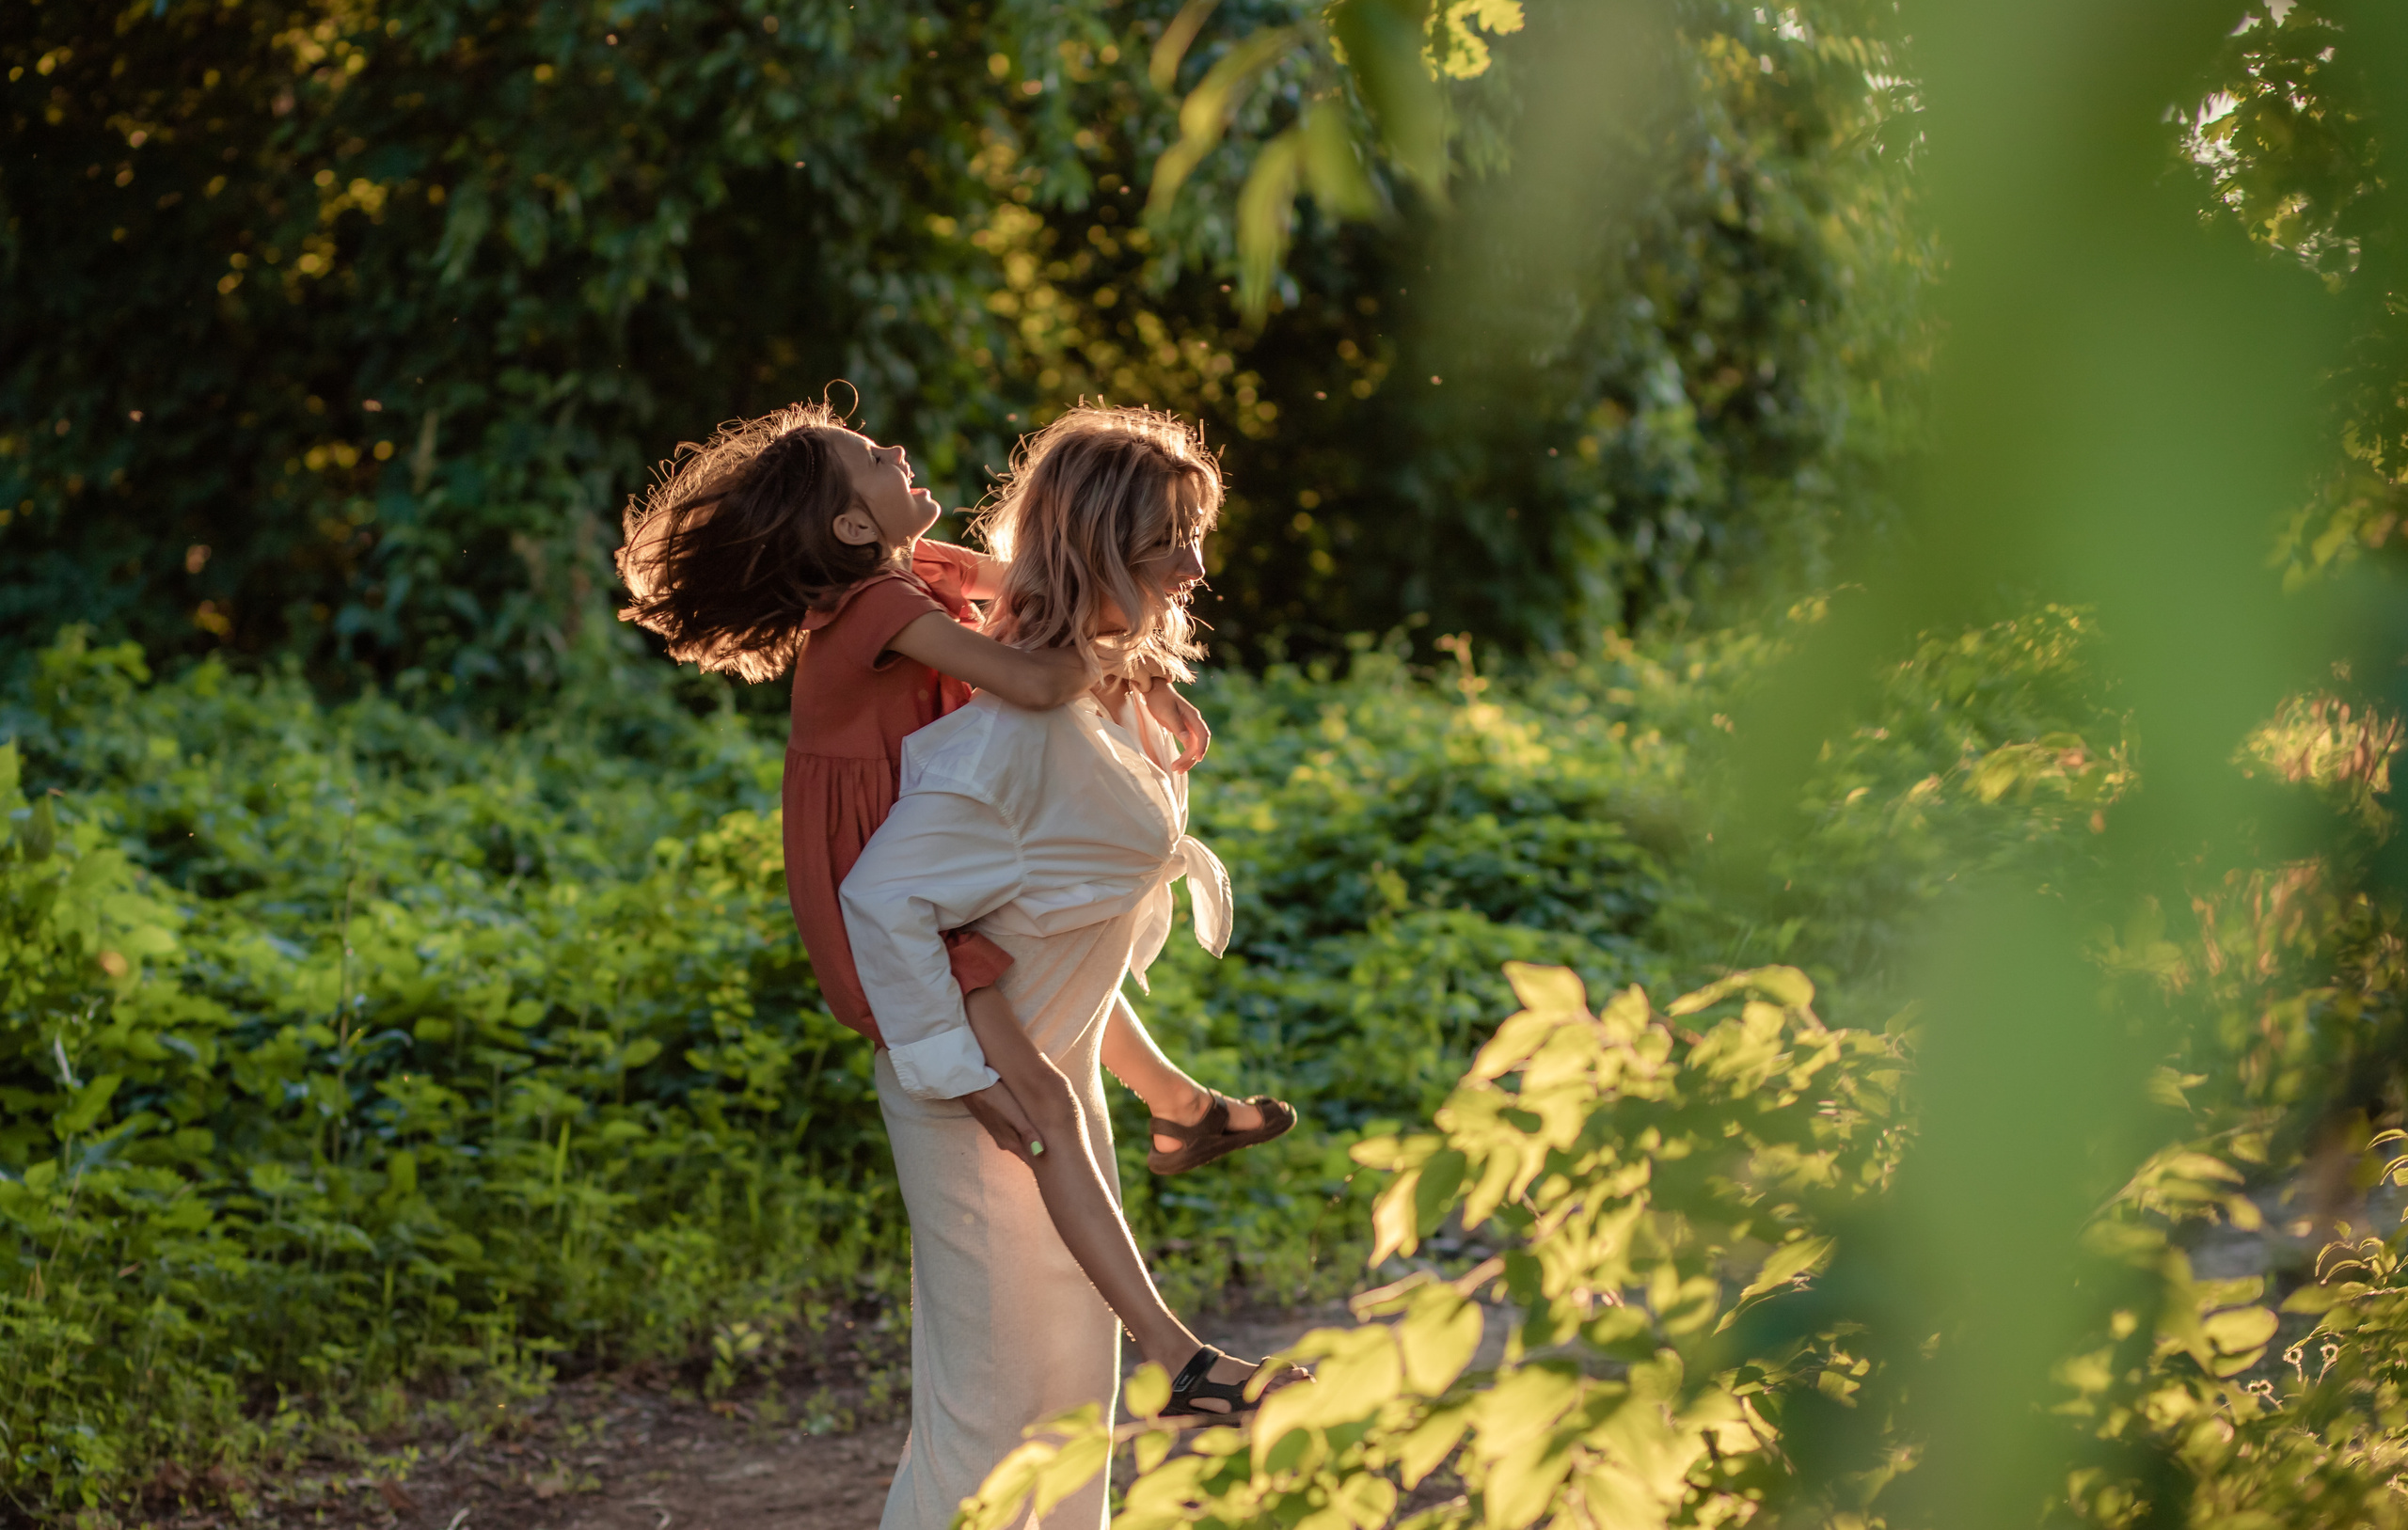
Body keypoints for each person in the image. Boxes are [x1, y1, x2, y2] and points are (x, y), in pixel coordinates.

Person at [615, 401, 1294, 1173]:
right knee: (992, 1030)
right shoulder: (881, 603)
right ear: (853, 528)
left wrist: (1146, 667)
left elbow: (1069, 592)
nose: (898, 447)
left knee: (1051, 950)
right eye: (874, 457)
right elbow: (1035, 676)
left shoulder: (914, 566)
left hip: (929, 818)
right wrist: (1125, 649)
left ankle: (1178, 1107)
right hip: (873, 853)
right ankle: (1088, 1148)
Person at [840, 406, 1305, 1530]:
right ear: (1102, 550)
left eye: (1196, 535)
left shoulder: (1087, 687)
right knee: (990, 1434)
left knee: (1066, 1423)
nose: (1196, 565)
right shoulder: (1011, 735)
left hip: (1062, 1084)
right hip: (982, 1111)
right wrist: (961, 1070)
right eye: (1168, 545)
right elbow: (879, 896)